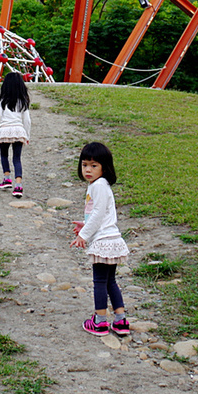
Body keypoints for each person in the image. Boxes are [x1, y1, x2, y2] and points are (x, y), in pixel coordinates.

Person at [71, 142, 131, 337]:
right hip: (111, 238)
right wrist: (84, 224)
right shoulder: (99, 186)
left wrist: (83, 235)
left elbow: (97, 214)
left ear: (104, 167)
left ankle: (100, 321)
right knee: (110, 281)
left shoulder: (98, 186)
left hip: (104, 242)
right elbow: (98, 215)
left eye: (94, 165)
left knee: (99, 281)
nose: (88, 169)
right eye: (84, 165)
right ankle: (121, 321)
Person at [0, 71, 31, 198]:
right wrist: (27, 134)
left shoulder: (2, 101)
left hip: (4, 129)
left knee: (4, 155)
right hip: (19, 130)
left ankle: (7, 178)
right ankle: (18, 186)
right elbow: (27, 120)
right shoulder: (23, 101)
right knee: (17, 158)